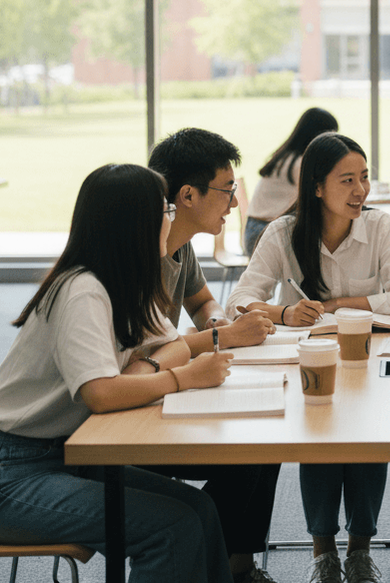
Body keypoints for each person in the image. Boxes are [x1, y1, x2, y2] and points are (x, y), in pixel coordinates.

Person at [0, 164, 234, 583]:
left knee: (200, 510)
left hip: (68, 456)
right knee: (171, 528)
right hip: (5, 477)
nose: (171, 218)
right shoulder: (82, 289)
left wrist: (144, 372)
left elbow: (173, 344)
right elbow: (101, 395)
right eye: (164, 209)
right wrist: (183, 378)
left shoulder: (124, 283)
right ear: (134, 223)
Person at [225, 132, 390, 583]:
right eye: (347, 180)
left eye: (365, 178)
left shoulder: (380, 227)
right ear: (316, 187)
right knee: (318, 438)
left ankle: (359, 550)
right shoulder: (283, 232)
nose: (361, 191)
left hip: (369, 361)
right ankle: (322, 553)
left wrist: (339, 305)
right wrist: (284, 311)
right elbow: (239, 301)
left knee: (368, 437)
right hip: (308, 366)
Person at [148, 127, 280, 583]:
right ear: (187, 194)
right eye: (227, 191)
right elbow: (150, 354)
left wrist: (217, 322)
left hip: (158, 390)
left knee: (261, 442)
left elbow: (202, 302)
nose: (235, 203)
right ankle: (225, 571)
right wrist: (224, 340)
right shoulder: (136, 255)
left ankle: (236, 569)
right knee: (247, 447)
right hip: (134, 403)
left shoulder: (180, 245)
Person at [245, 106, 340, 254]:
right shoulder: (300, 163)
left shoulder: (285, 157)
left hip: (254, 230)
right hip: (265, 233)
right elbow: (319, 200)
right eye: (331, 134)